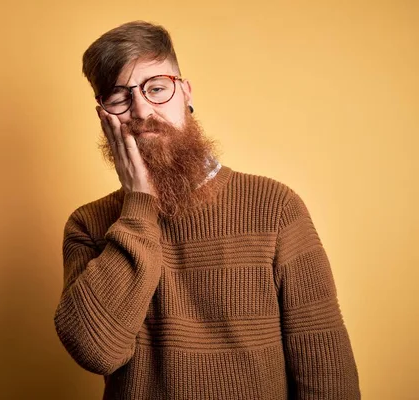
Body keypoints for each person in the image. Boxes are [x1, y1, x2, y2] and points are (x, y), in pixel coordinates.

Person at [53, 20, 360, 399]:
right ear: (104, 116)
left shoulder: (276, 208)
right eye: (119, 97)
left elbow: (328, 377)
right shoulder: (88, 225)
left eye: (157, 88)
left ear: (186, 94)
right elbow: (96, 351)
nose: (142, 109)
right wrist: (138, 205)